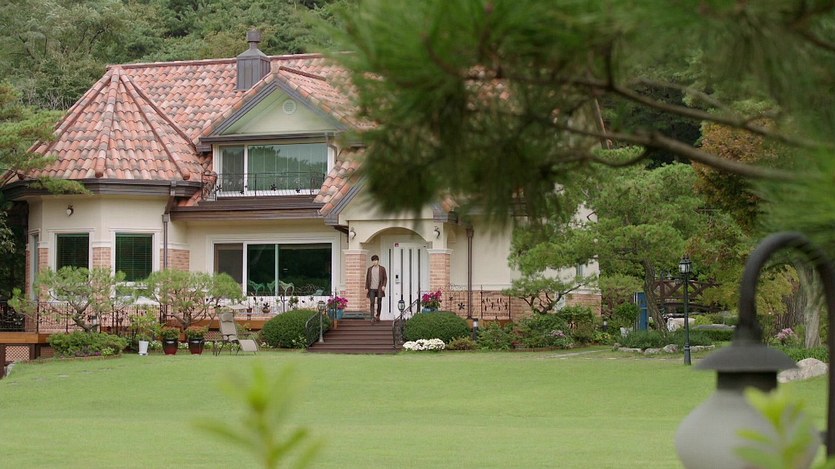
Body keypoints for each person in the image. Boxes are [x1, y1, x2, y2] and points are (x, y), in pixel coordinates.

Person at [365, 254, 387, 323]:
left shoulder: (382, 269)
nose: (375, 262)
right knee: (372, 302)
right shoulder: (369, 269)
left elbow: (385, 278)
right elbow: (367, 279)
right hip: (371, 289)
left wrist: (384, 285)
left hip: (379, 288)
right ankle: (372, 317)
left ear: (378, 261)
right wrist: (366, 287)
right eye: (373, 261)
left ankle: (378, 315)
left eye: (376, 260)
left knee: (379, 302)